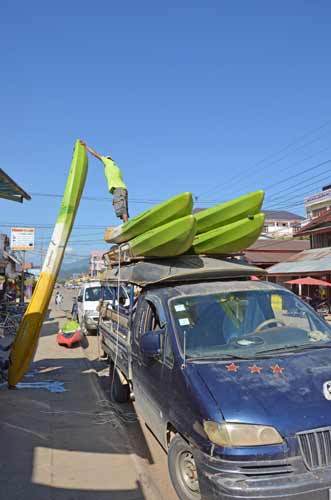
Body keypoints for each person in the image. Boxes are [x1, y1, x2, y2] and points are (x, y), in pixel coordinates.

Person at [80, 140, 129, 222]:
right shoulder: (116, 168)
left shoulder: (108, 162)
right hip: (123, 190)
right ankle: (126, 224)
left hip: (119, 190)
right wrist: (114, 198)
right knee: (123, 208)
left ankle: (126, 224)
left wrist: (86, 146)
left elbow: (96, 154)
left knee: (121, 208)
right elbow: (117, 183)